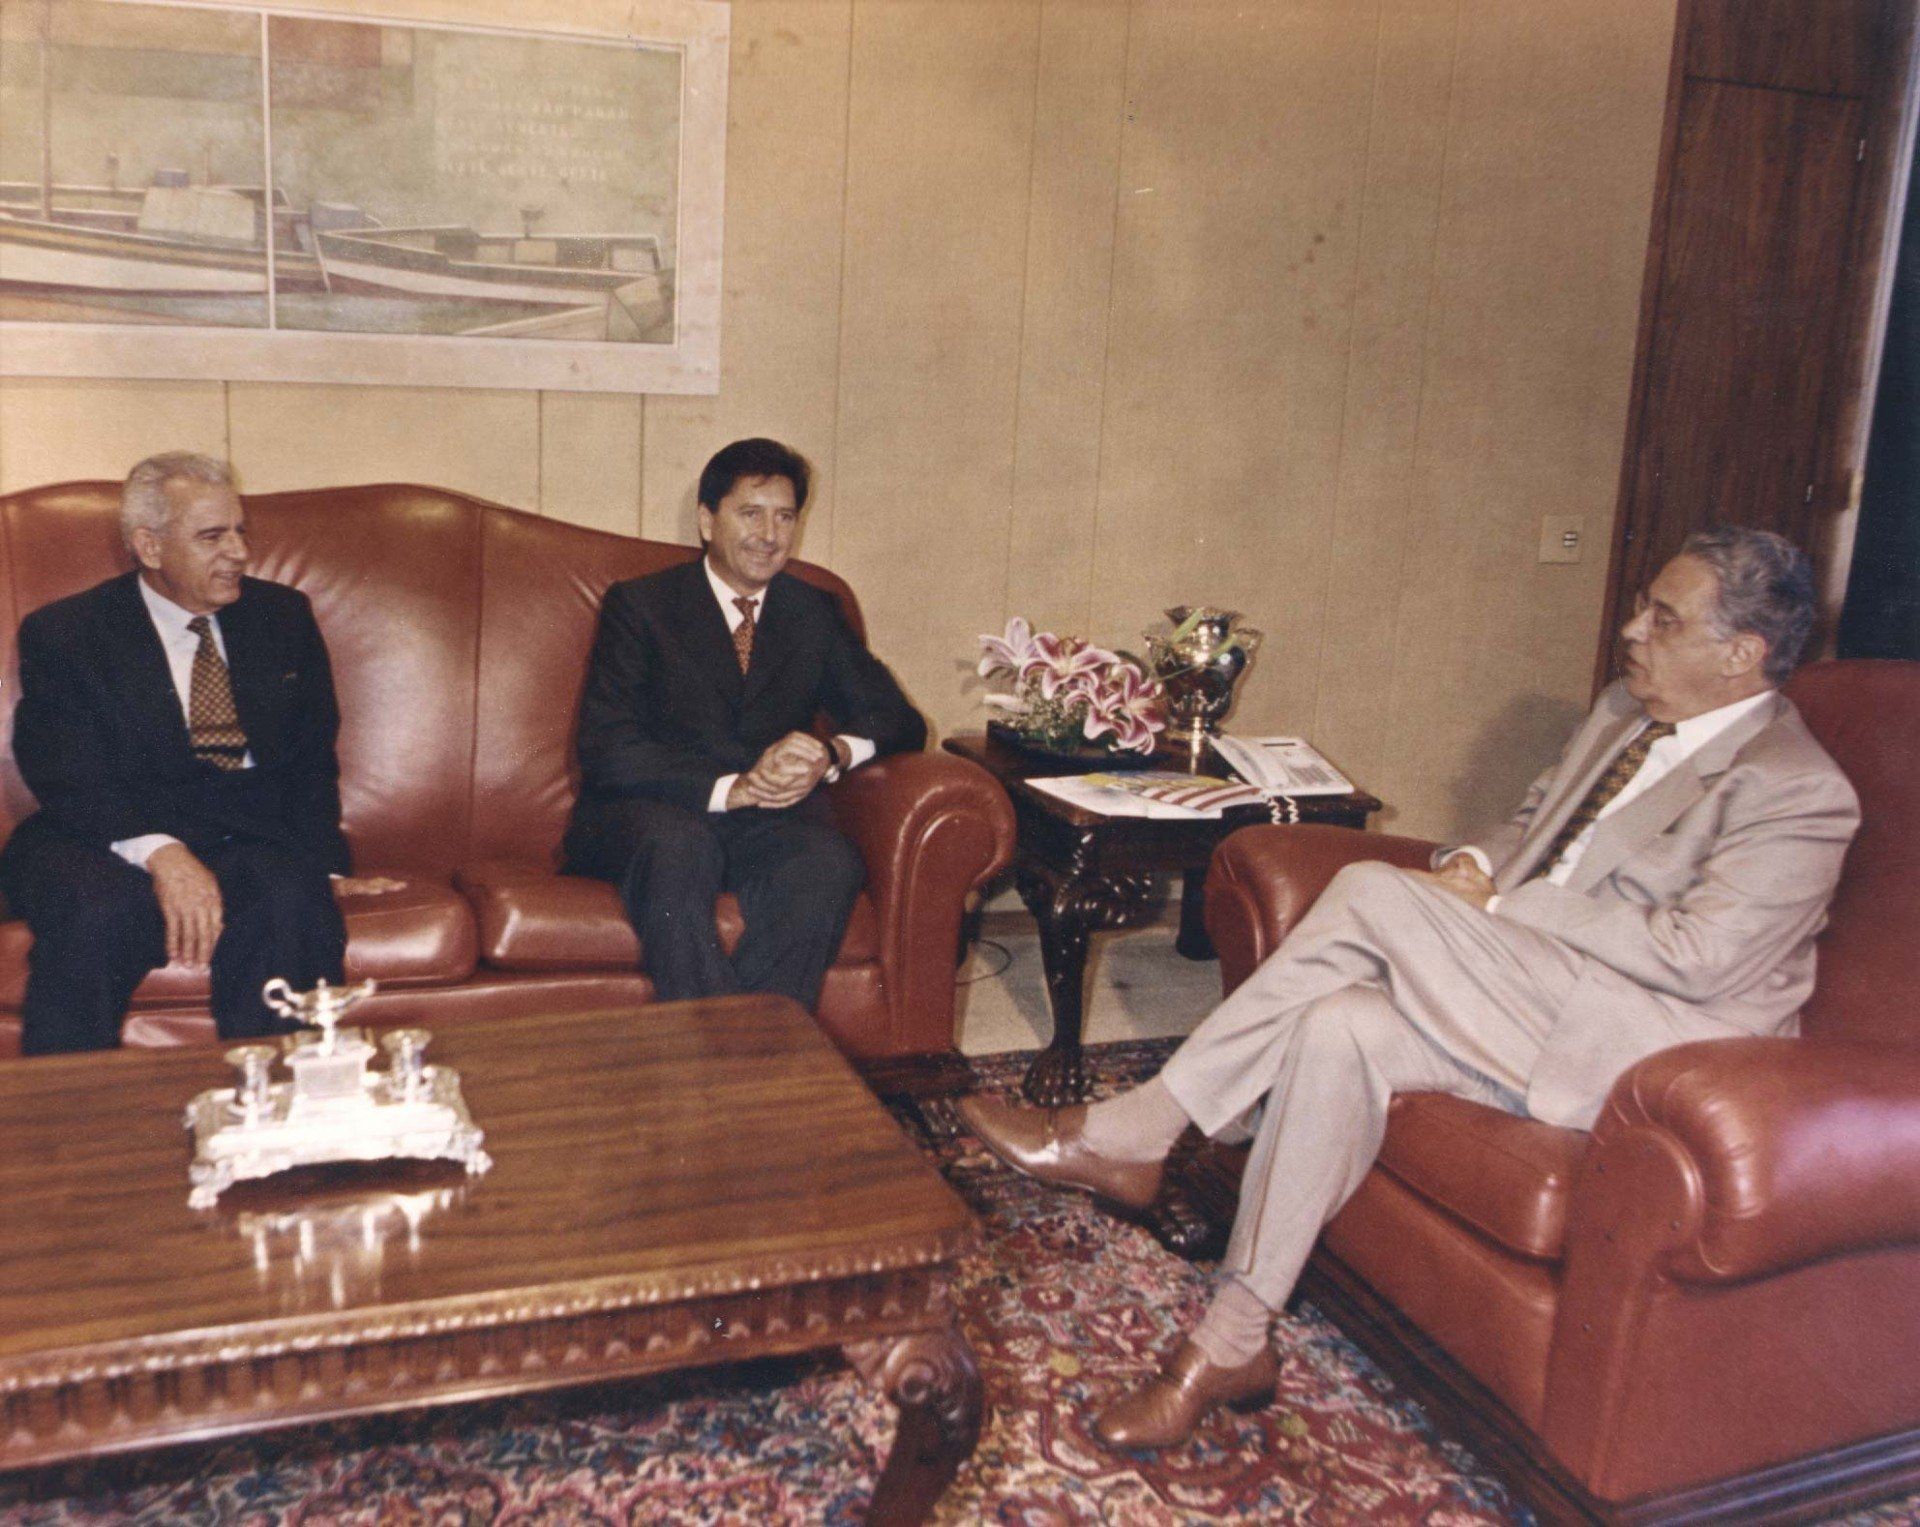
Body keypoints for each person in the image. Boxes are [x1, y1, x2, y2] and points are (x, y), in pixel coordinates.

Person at [959, 526, 1859, 1450]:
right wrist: (1477, 866)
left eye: (1664, 619)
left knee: (1368, 891)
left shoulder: (1796, 789)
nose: (1632, 630)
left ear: (1742, 653)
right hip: (1532, 986)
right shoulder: (1625, 712)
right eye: (1641, 608)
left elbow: (1698, 954)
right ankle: (1232, 1341)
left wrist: (1501, 904)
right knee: (1338, 1024)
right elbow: (1533, 821)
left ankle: (1142, 1126)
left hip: (1647, 1043)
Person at [0, 453, 397, 1056]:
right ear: (150, 547)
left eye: (240, 532)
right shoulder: (69, 632)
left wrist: (324, 867)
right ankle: (68, 1108)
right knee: (96, 914)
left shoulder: (282, 617)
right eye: (212, 537)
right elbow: (66, 770)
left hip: (244, 831)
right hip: (105, 832)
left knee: (292, 902)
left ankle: (277, 1103)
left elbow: (311, 758)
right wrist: (162, 853)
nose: (238, 552)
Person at [564, 437, 925, 1010]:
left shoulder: (812, 611)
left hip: (762, 822)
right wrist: (729, 789)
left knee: (828, 861)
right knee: (680, 849)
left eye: (785, 517)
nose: (770, 535)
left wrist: (830, 755)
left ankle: (751, 1045)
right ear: (708, 521)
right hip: (649, 815)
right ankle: (728, 1048)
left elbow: (898, 719)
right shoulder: (642, 605)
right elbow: (607, 746)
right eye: (751, 514)